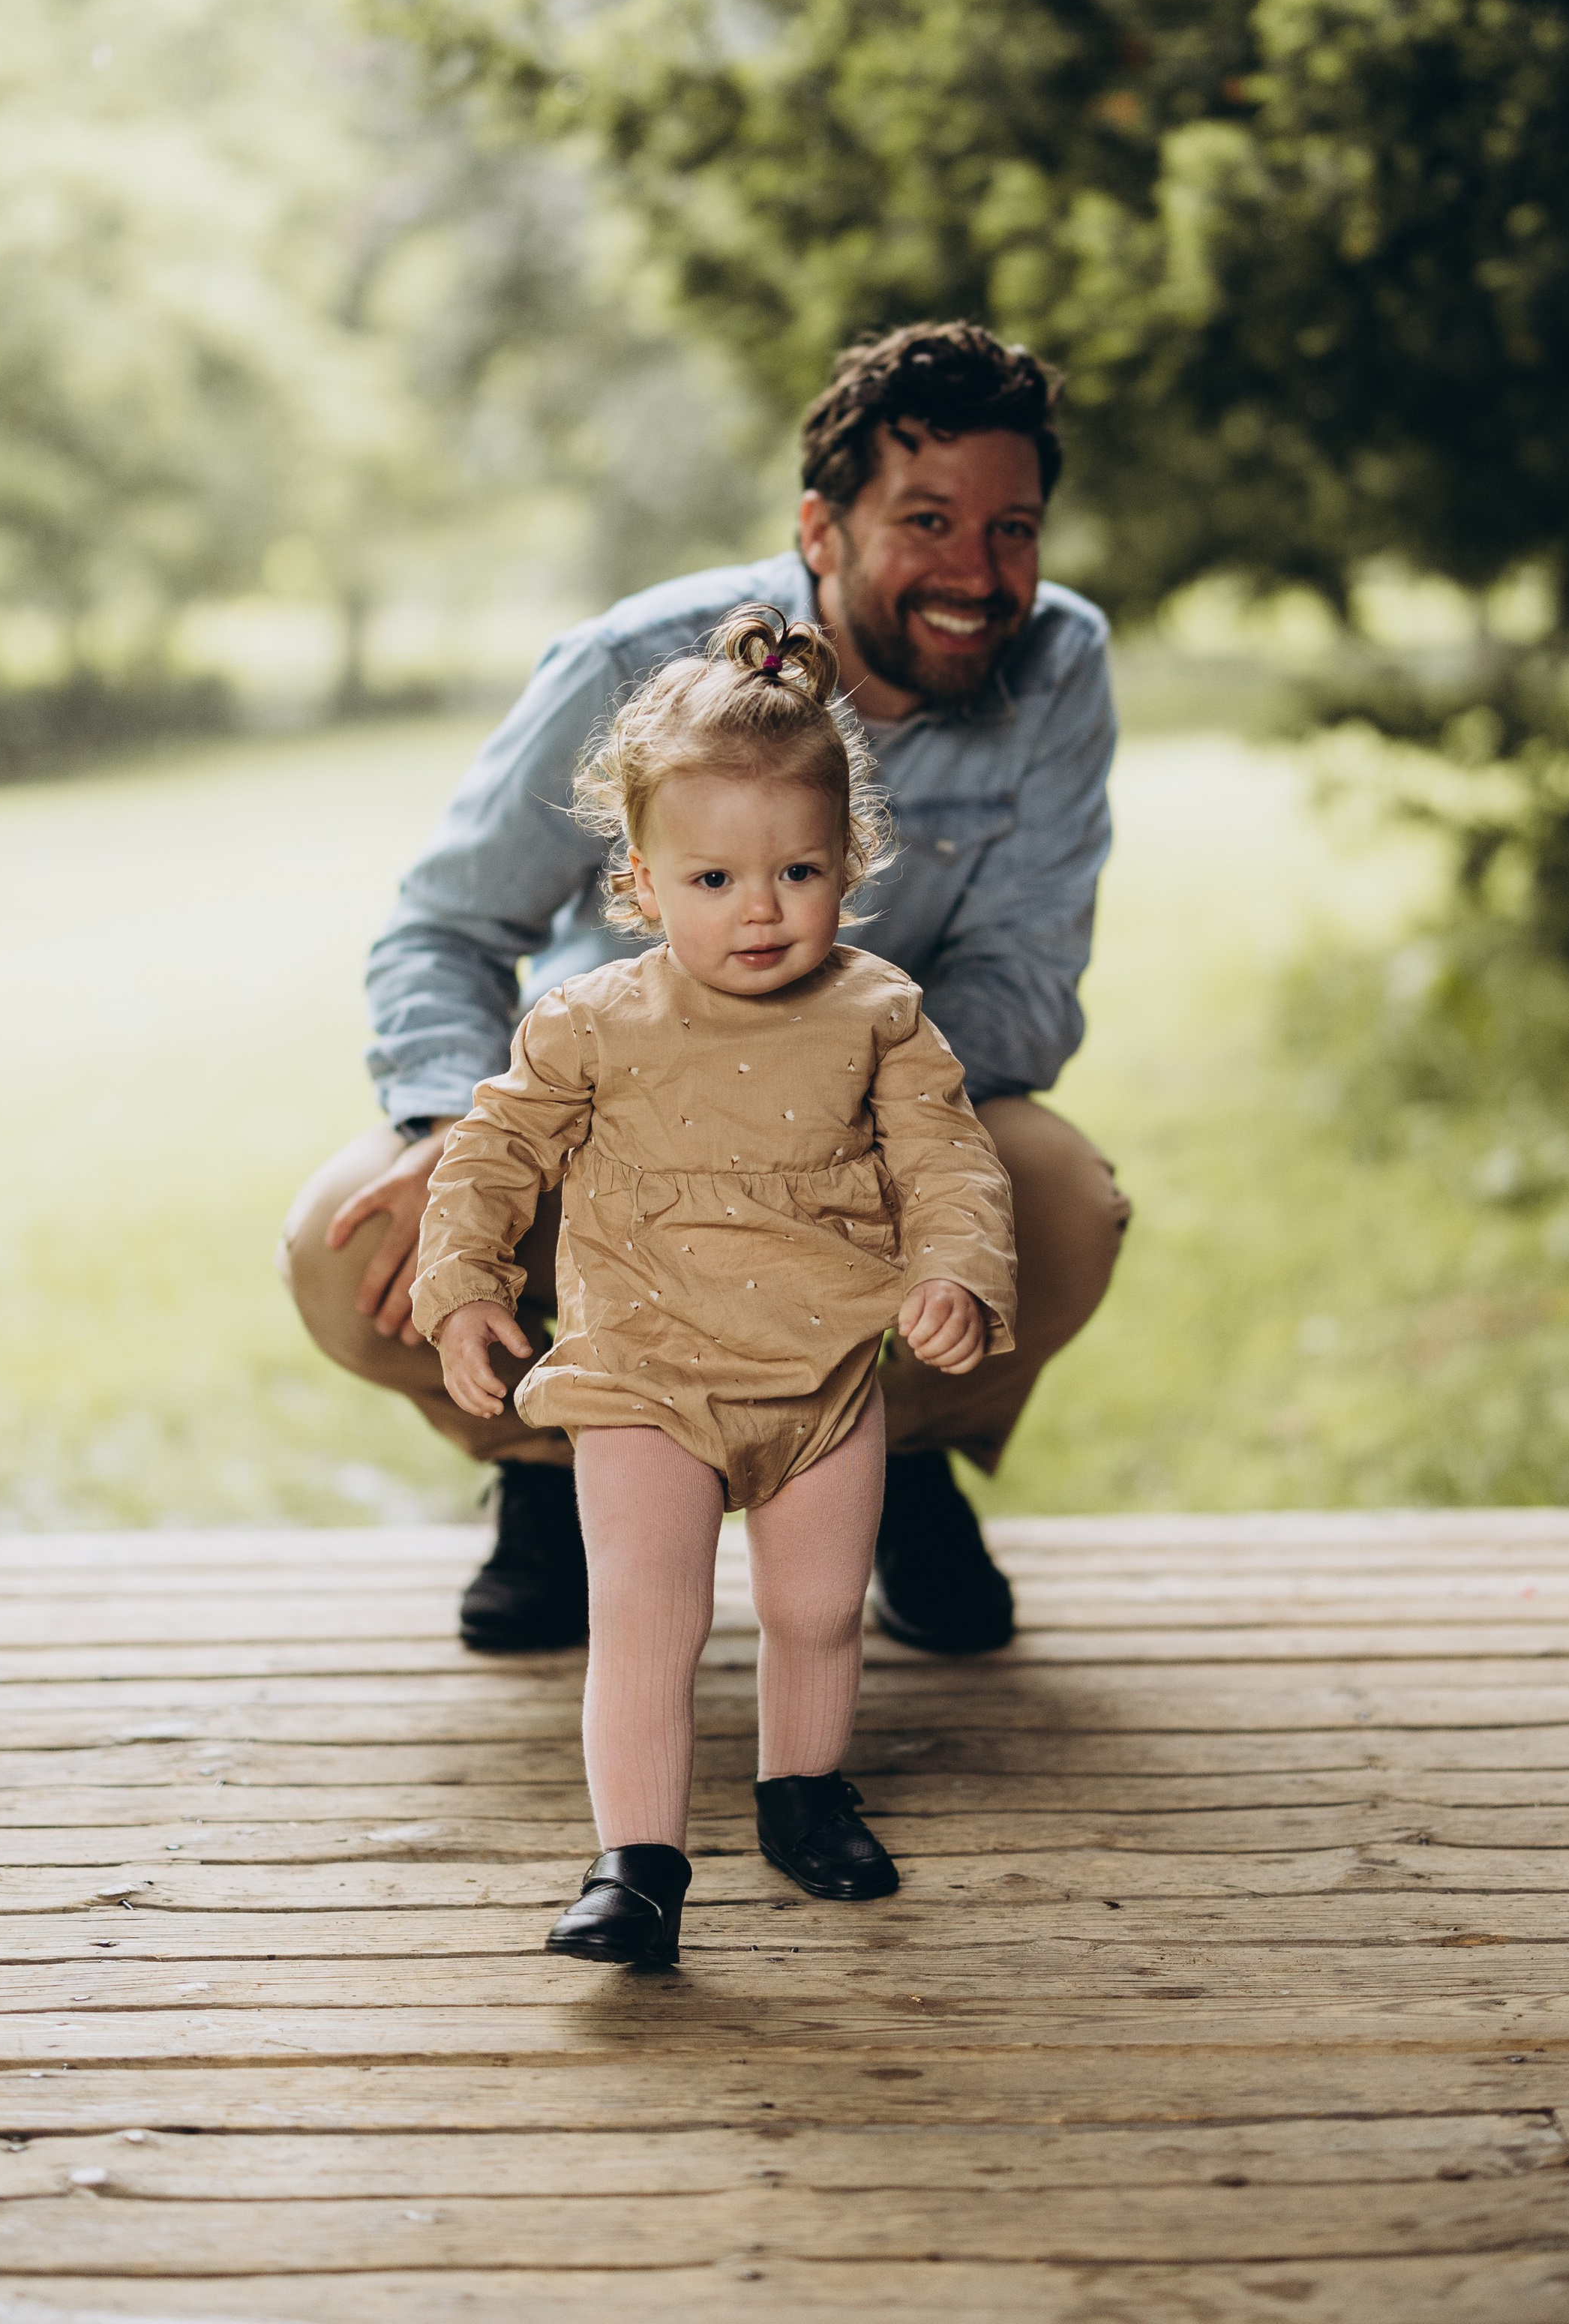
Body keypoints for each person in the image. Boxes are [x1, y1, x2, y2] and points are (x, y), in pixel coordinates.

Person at [278, 318, 1128, 1656]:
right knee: (350, 1244)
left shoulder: (1063, 666)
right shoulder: (633, 663)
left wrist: (827, 1126)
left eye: (1012, 527)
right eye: (929, 520)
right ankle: (557, 1470)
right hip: (609, 1126)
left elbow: (1027, 985)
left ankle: (896, 1461)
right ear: (823, 528)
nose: (980, 571)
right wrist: (450, 1125)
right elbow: (443, 925)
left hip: (886, 1114)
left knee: (1065, 1203)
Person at [414, 605, 1017, 1966]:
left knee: (814, 1608)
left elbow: (952, 1164)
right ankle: (637, 1863)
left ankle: (805, 1794)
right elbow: (494, 1151)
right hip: (646, 1374)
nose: (761, 910)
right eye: (714, 882)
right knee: (648, 1612)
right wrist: (462, 1285)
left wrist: (957, 1276)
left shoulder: (880, 1014)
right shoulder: (590, 1023)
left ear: (849, 863)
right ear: (640, 882)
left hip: (818, 1376)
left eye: (798, 871)